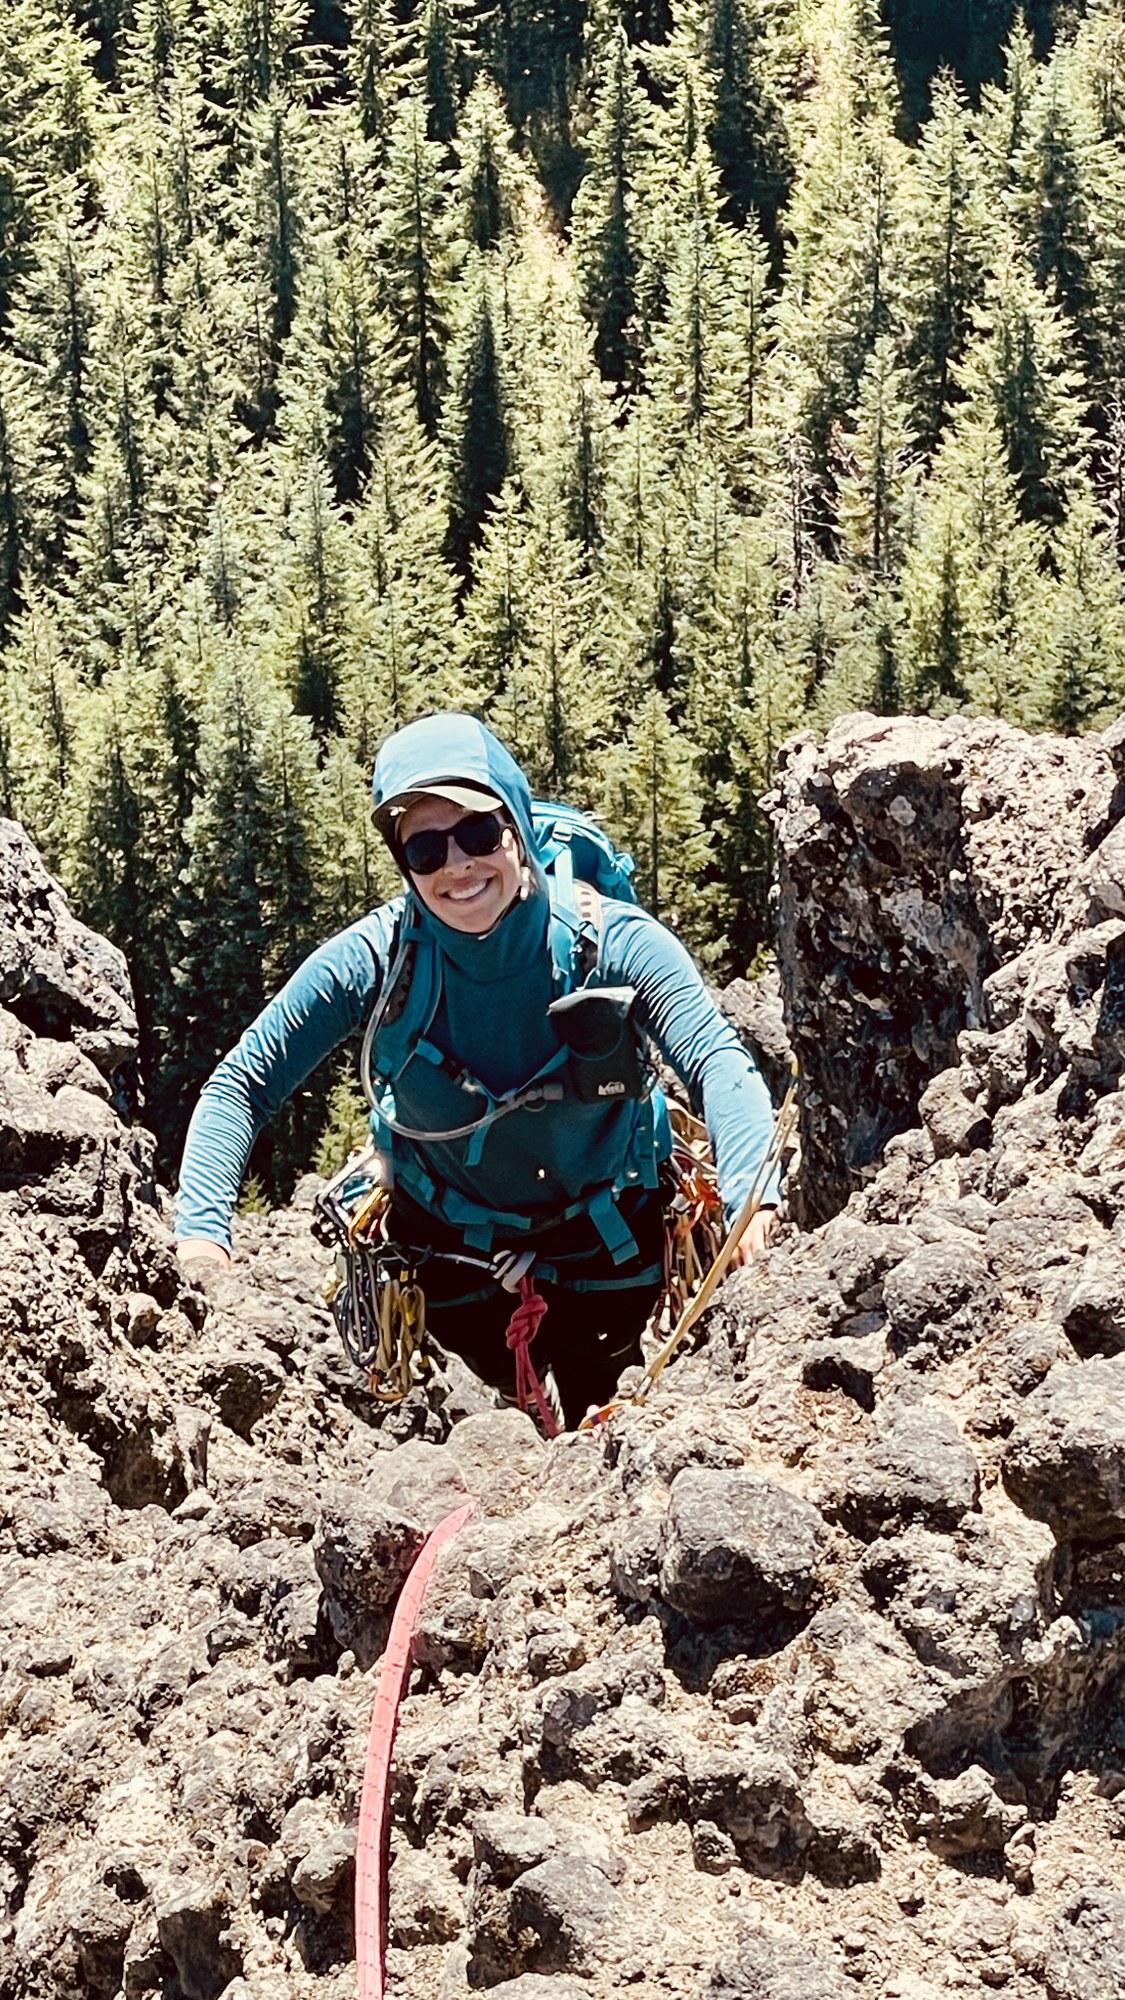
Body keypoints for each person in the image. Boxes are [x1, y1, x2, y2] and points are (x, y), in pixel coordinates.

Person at [175, 712, 780, 1424]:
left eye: (479, 833)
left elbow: (714, 1058)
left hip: (611, 1243)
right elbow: (242, 1085)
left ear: (517, 825)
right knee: (503, 1425)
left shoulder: (612, 942)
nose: (457, 865)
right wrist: (202, 1239)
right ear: (403, 864)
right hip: (450, 1259)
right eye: (425, 849)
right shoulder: (376, 961)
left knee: (605, 1409)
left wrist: (752, 1200)